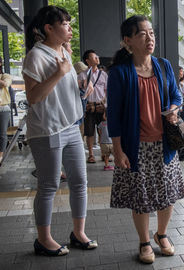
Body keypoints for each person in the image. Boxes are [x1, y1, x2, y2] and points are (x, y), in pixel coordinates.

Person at [107, 15, 184, 264]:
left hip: (165, 145)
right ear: (128, 40)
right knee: (140, 198)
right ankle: (144, 242)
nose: (150, 38)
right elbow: (114, 116)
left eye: (151, 33)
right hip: (136, 146)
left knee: (167, 194)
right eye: (143, 34)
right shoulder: (120, 73)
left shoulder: (163, 65)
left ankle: (161, 234)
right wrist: (118, 151)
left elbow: (175, 94)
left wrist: (173, 108)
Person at [23, 5, 97, 256]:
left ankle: (79, 233)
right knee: (48, 185)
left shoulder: (64, 53)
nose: (70, 28)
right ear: (48, 28)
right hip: (47, 130)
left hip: (71, 127)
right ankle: (43, 239)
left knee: (79, 182)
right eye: (65, 24)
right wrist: (59, 73)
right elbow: (33, 97)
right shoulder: (36, 55)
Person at [78, 49, 108, 163]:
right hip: (89, 107)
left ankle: (104, 154)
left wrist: (106, 107)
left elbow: (107, 92)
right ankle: (91, 155)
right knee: (89, 132)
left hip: (101, 106)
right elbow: (79, 92)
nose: (97, 58)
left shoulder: (104, 74)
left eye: (97, 56)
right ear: (87, 61)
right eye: (94, 57)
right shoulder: (82, 75)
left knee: (102, 131)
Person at [0, 56, 12, 162]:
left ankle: (0, 156)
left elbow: (5, 84)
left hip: (3, 108)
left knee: (2, 133)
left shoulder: (5, 76)